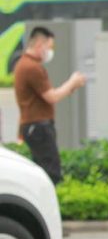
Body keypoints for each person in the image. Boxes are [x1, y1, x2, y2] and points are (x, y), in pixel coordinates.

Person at [13, 26, 86, 184]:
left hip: (33, 127)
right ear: (40, 45)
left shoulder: (24, 64)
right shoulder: (32, 67)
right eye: (49, 47)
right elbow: (51, 97)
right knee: (51, 172)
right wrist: (72, 82)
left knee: (42, 171)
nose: (50, 51)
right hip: (39, 128)